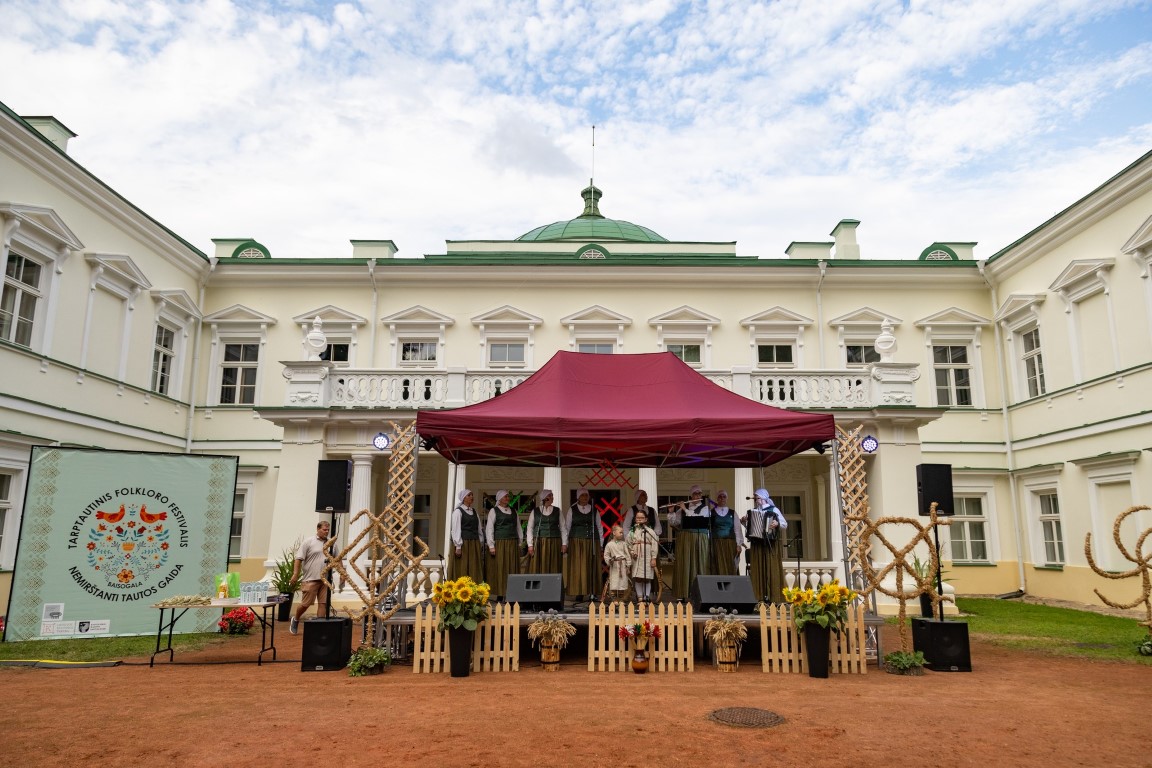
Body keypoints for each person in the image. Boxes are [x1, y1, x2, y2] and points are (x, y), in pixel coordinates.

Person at [290, 520, 334, 635]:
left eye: (328, 530)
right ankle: (296, 619)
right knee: (305, 604)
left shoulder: (331, 543)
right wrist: (295, 574)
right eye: (324, 529)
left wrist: (343, 573)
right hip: (311, 578)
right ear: (318, 529)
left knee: (323, 604)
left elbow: (337, 559)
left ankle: (319, 628)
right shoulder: (308, 542)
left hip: (325, 579)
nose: (327, 532)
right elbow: (298, 559)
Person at [669, 484, 712, 601]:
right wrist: (672, 512)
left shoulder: (705, 508)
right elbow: (674, 523)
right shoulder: (684, 508)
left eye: (699, 493)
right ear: (691, 495)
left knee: (699, 564)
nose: (697, 495)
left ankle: (700, 593)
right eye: (695, 493)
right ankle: (682, 593)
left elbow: (698, 517)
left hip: (699, 538)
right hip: (685, 539)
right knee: (685, 564)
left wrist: (684, 509)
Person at [747, 488, 788, 603]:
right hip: (757, 544)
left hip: (770, 543)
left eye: (757, 497)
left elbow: (784, 524)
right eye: (755, 497)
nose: (756, 499)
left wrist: (777, 523)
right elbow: (750, 529)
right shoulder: (753, 511)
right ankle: (758, 596)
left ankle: (774, 596)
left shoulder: (773, 509)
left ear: (764, 498)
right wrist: (744, 522)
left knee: (771, 567)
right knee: (758, 568)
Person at [563, 488, 603, 602]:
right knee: (579, 566)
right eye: (583, 495)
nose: (585, 497)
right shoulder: (572, 510)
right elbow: (567, 527)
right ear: (578, 497)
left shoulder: (594, 510)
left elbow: (599, 527)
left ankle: (593, 592)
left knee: (592, 566)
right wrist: (565, 543)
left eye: (586, 495)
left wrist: (601, 544)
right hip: (576, 541)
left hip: (592, 541)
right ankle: (579, 592)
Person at [486, 489, 523, 601]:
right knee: (501, 566)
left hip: (512, 542)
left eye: (508, 496)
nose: (507, 498)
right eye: (505, 496)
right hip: (500, 542)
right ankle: (500, 593)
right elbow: (489, 528)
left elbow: (518, 527)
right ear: (500, 499)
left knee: (512, 566)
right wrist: (491, 545)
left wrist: (520, 541)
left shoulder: (513, 511)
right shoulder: (494, 511)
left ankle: (513, 592)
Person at [526, 488, 566, 578]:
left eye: (552, 495)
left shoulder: (557, 510)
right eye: (549, 495)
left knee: (554, 564)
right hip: (539, 541)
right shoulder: (535, 511)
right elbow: (530, 528)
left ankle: (553, 587)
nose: (552, 497)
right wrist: (530, 545)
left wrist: (564, 543)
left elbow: (563, 527)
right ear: (544, 498)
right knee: (539, 563)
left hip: (554, 541)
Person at [450, 488, 486, 583]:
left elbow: (479, 528)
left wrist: (480, 542)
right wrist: (458, 546)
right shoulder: (458, 512)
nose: (472, 497)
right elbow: (456, 529)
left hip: (474, 543)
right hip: (464, 543)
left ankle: (474, 589)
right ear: (463, 498)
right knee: (463, 566)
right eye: (469, 495)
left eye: (472, 495)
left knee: (474, 566)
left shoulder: (474, 512)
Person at [627, 508, 661, 602]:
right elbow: (628, 544)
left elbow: (654, 545)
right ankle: (640, 597)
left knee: (647, 577)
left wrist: (653, 558)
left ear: (646, 519)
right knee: (638, 577)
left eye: (641, 518)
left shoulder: (650, 531)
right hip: (636, 557)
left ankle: (646, 596)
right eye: (637, 518)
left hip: (647, 557)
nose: (639, 519)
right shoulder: (632, 531)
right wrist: (632, 552)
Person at [709, 490, 745, 576]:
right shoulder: (711, 512)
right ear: (717, 499)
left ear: (727, 498)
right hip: (716, 543)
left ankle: (731, 586)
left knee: (730, 564)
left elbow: (737, 529)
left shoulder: (733, 513)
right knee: (717, 564)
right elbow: (708, 529)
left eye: (724, 496)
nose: (722, 498)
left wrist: (738, 544)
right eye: (720, 497)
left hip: (730, 543)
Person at [602, 524, 633, 601]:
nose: (622, 534)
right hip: (614, 567)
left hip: (623, 566)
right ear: (614, 533)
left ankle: (621, 599)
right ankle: (614, 599)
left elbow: (627, 555)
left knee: (622, 583)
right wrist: (610, 561)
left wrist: (628, 566)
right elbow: (606, 555)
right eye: (620, 532)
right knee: (614, 582)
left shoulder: (623, 544)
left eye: (622, 532)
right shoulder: (609, 545)